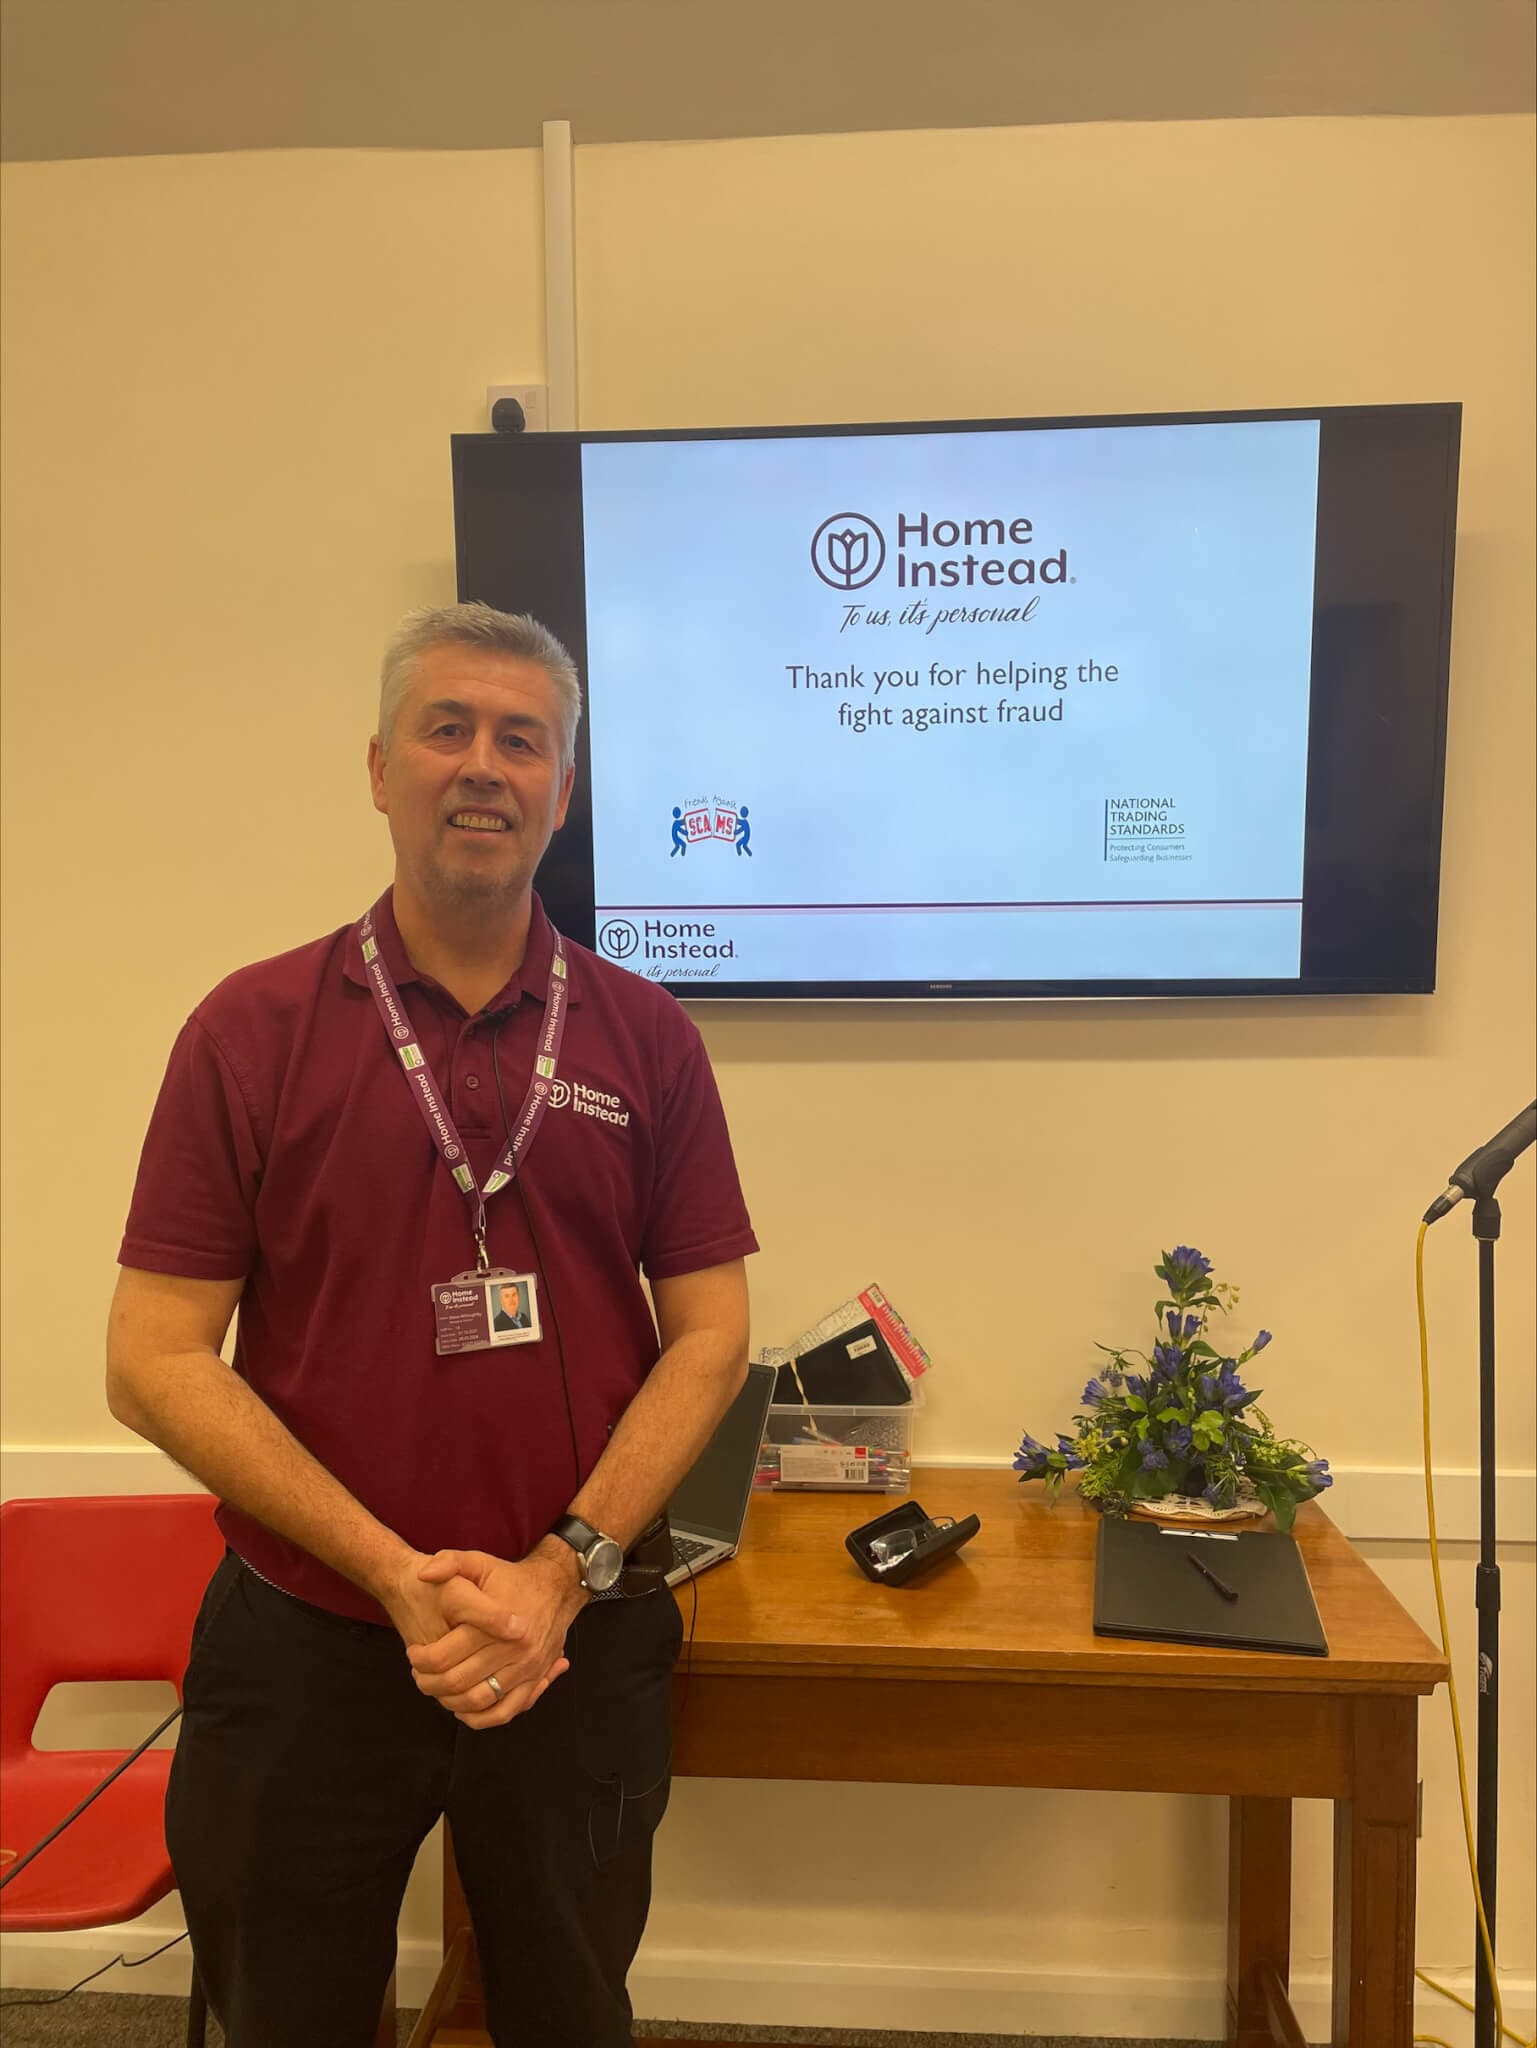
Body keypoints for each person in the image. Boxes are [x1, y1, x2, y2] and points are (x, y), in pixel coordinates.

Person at [106, 603, 757, 2048]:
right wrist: (399, 1576)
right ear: (380, 767)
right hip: (310, 1640)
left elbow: (711, 1333)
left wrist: (562, 1572)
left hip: (575, 1636)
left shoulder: (650, 1038)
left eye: (521, 741)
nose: (483, 766)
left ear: (563, 792)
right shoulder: (251, 1030)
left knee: (571, 2012)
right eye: (445, 728)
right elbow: (150, 1359)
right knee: (286, 2014)